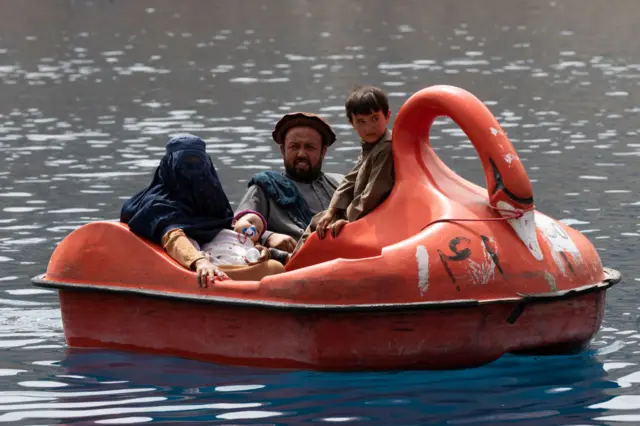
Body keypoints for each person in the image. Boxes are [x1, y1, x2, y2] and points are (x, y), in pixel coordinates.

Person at [120, 134, 285, 287]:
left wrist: (257, 248)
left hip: (220, 253)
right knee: (273, 269)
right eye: (186, 163)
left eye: (198, 163)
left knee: (272, 264)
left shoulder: (211, 198)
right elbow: (173, 236)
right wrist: (200, 262)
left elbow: (226, 230)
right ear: (169, 167)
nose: (193, 171)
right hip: (193, 263)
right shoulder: (158, 205)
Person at [293, 85, 394, 253]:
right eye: (361, 122)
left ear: (387, 116)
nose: (369, 128)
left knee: (322, 232)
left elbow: (374, 192)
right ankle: (292, 262)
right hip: (362, 211)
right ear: (352, 124)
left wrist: (350, 221)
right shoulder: (370, 145)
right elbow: (350, 180)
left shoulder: (386, 147)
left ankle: (293, 264)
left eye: (375, 119)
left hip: (373, 216)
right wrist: (331, 211)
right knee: (319, 220)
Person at [235, 112, 344, 252]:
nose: (301, 154)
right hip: (293, 259)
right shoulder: (265, 187)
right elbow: (237, 229)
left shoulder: (341, 184)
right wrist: (268, 237)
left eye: (309, 147)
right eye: (294, 147)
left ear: (323, 152)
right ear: (283, 151)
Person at [196, 209, 291, 268]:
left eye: (258, 231)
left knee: (272, 265)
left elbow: (258, 255)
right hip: (212, 262)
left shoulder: (253, 245)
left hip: (240, 267)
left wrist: (262, 253)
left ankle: (287, 257)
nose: (253, 228)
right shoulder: (219, 231)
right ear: (234, 222)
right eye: (250, 222)